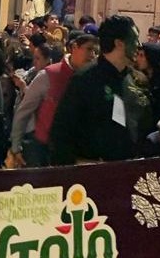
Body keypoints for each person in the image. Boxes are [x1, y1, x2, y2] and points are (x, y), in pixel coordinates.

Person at [50, 15, 140, 164]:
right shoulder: (84, 79)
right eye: (134, 39)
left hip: (129, 169)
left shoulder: (137, 80)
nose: (139, 45)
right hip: (92, 172)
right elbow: (61, 131)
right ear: (119, 43)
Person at [10, 34, 97, 168]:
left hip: (75, 152)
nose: (92, 55)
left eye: (95, 51)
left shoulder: (92, 79)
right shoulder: (48, 75)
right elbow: (24, 111)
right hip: (42, 150)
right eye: (89, 49)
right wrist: (16, 146)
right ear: (75, 47)